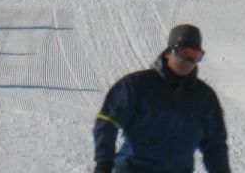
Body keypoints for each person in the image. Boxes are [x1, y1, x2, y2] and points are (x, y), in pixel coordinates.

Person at [94, 24, 231, 173]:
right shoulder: (137, 86)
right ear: (169, 52)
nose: (188, 61)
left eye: (194, 56)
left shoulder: (204, 98)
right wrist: (104, 163)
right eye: (183, 53)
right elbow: (107, 121)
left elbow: (215, 144)